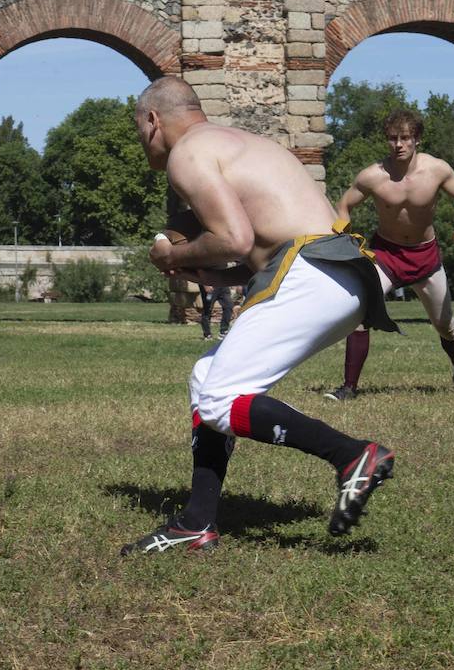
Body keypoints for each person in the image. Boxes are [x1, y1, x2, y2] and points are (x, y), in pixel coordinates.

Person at [121, 77, 398, 554]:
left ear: (152, 121)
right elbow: (265, 240)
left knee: (220, 399)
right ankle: (197, 521)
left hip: (311, 272)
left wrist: (174, 255)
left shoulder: (188, 153)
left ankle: (353, 455)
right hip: (342, 272)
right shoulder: (246, 144)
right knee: (206, 376)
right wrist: (223, 277)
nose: (142, 140)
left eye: (138, 129)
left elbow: (234, 239)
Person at [322, 108, 454, 402]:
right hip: (386, 254)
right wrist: (343, 237)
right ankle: (349, 387)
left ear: (417, 139)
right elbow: (344, 204)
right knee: (360, 314)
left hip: (425, 256)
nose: (398, 144)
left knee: (445, 325)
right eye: (392, 138)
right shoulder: (373, 176)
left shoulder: (437, 170)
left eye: (405, 138)